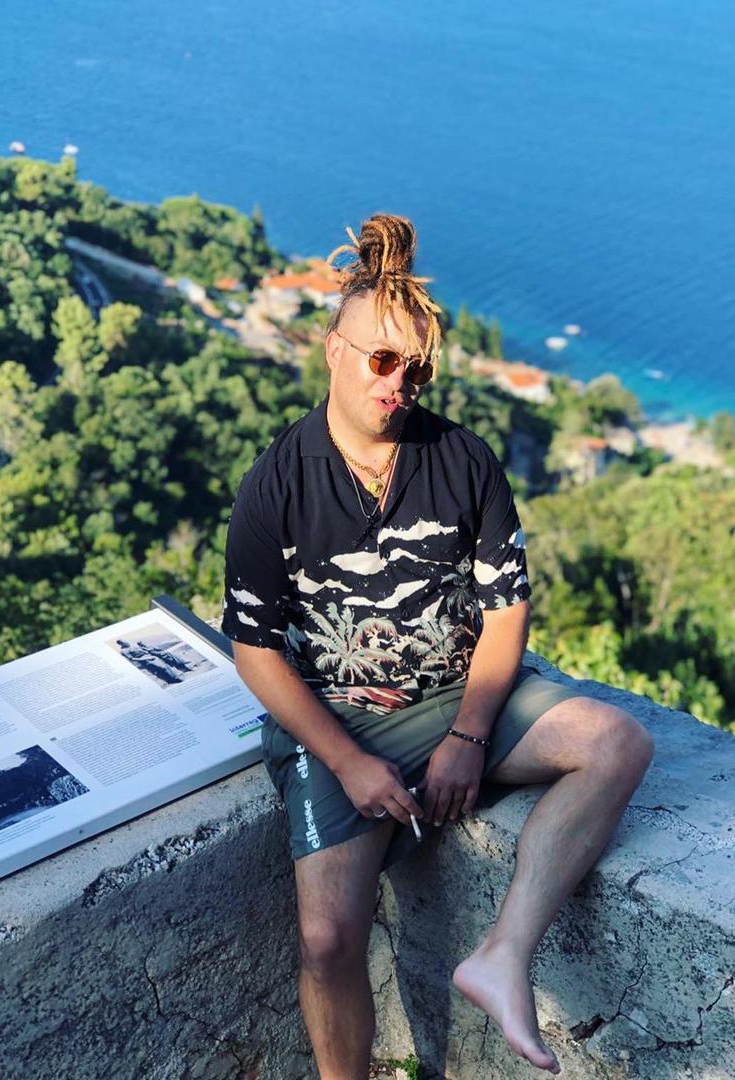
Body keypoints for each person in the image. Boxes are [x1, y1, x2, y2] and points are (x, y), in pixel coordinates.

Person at [222, 214, 654, 1079]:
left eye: (415, 369)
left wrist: (468, 732)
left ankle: (503, 957)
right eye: (382, 360)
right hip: (344, 718)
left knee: (618, 744)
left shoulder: (462, 460)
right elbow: (256, 651)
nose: (399, 383)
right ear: (334, 352)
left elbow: (506, 609)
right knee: (326, 939)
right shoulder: (276, 484)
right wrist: (348, 762)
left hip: (463, 695)